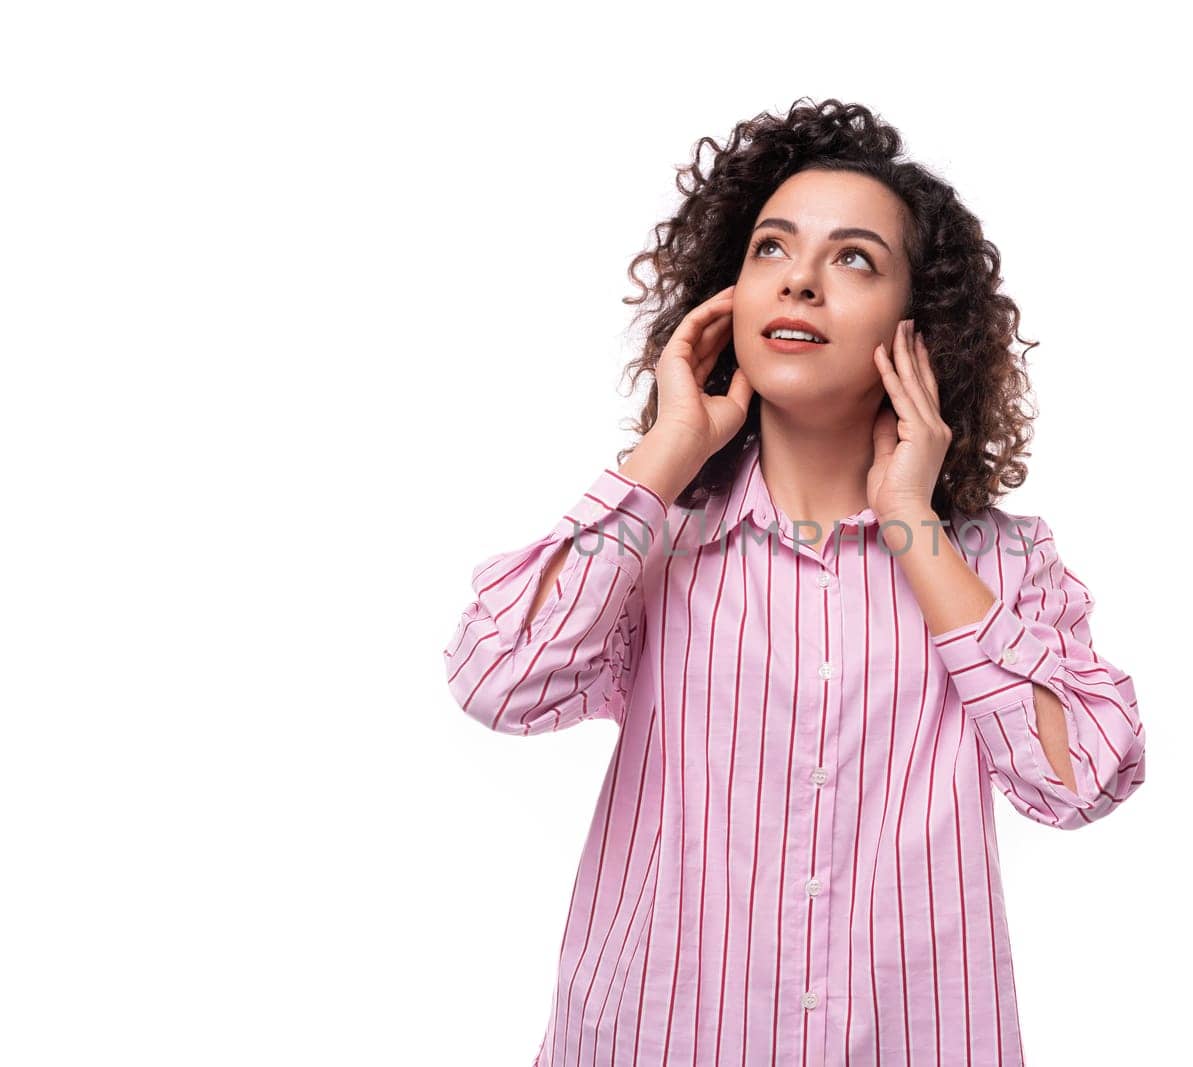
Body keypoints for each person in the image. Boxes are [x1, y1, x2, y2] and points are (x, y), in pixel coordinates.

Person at [442, 97, 1147, 1067]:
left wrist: (911, 521)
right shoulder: (655, 550)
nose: (801, 281)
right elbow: (497, 678)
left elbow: (1081, 780)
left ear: (918, 330)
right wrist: (667, 448)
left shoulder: (996, 566)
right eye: (771, 249)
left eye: (853, 258)